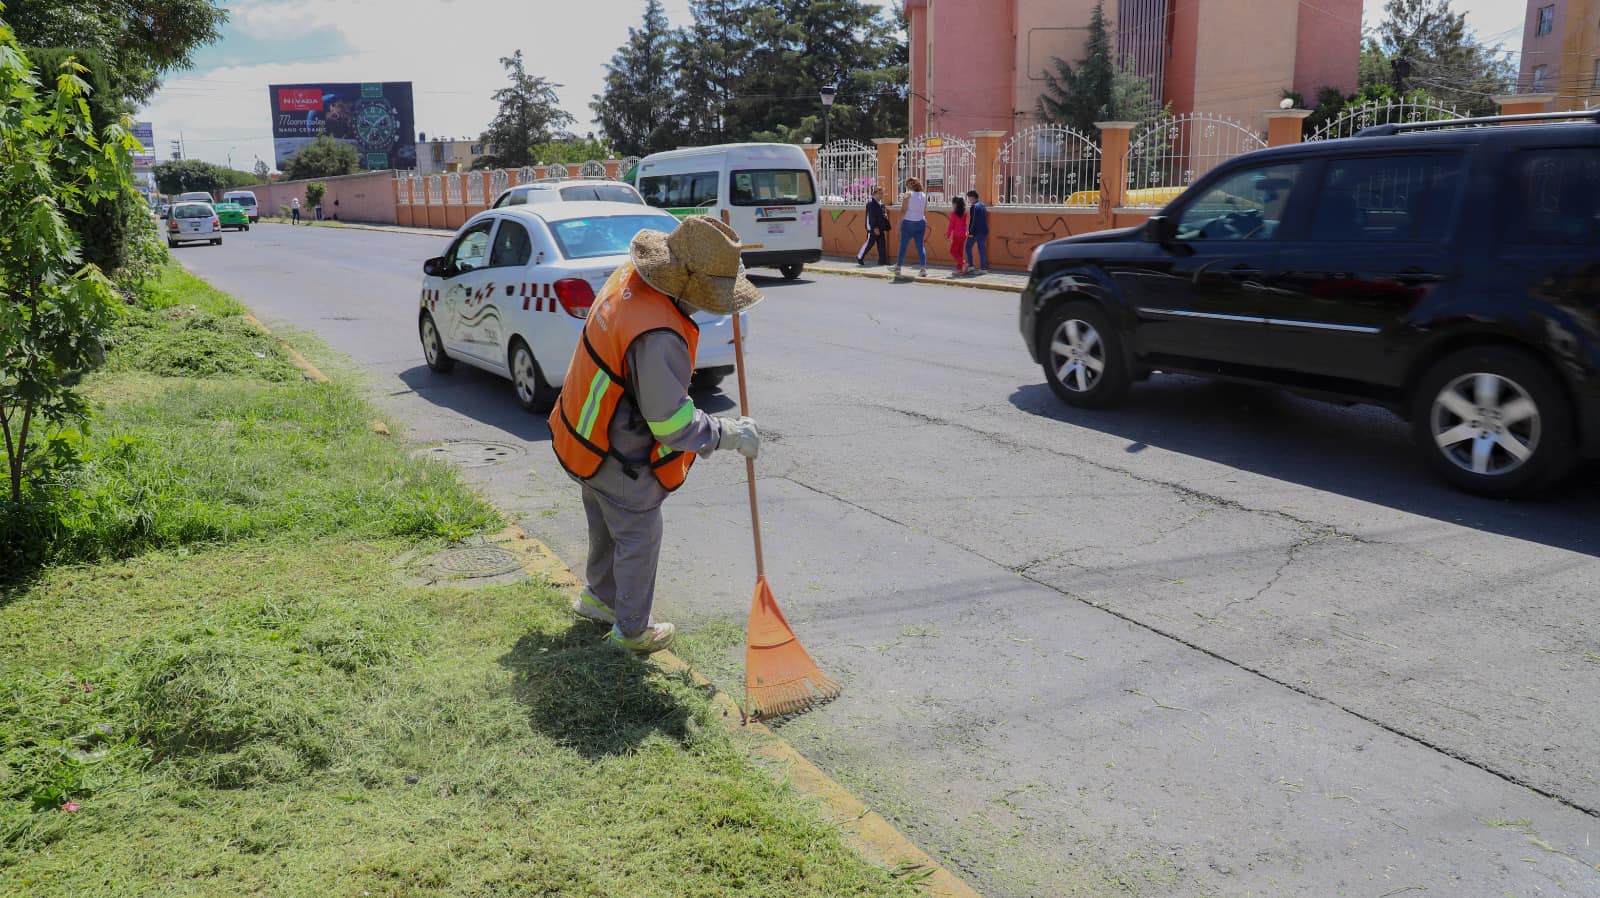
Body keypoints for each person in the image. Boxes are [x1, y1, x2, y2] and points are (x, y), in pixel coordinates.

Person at [548, 216, 764, 654]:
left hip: (581, 434)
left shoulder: (630, 277)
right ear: (690, 288)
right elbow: (671, 423)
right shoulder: (659, 335)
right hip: (616, 453)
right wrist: (728, 433)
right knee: (638, 535)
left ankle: (600, 598)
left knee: (606, 524)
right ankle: (629, 631)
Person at [893, 177, 928, 278]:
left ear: (909, 185)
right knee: (920, 246)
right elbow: (924, 209)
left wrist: (898, 224)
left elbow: (903, 210)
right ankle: (923, 269)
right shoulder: (923, 195)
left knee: (903, 245)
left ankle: (898, 267)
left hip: (908, 222)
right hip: (921, 222)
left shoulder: (908, 194)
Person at [856, 187, 891, 266]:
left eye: (882, 193)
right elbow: (871, 217)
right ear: (875, 193)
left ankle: (882, 260)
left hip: (880, 227)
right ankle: (859, 256)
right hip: (873, 228)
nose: (881, 195)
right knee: (869, 243)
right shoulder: (871, 203)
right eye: (880, 193)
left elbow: (882, 214)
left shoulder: (880, 203)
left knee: (882, 244)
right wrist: (875, 227)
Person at [964, 190, 990, 275]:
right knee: (981, 248)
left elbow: (973, 220)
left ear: (973, 197)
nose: (969, 199)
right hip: (984, 231)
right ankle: (984, 268)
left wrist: (971, 232)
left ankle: (971, 266)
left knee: (968, 247)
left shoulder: (974, 207)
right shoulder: (982, 205)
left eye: (969, 197)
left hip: (976, 232)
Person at [946, 195, 969, 277]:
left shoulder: (954, 214)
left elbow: (951, 226)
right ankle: (959, 270)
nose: (952, 205)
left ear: (956, 204)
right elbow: (965, 224)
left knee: (953, 251)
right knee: (959, 252)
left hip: (957, 235)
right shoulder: (964, 212)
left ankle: (963, 263)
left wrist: (947, 235)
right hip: (963, 235)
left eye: (953, 203)